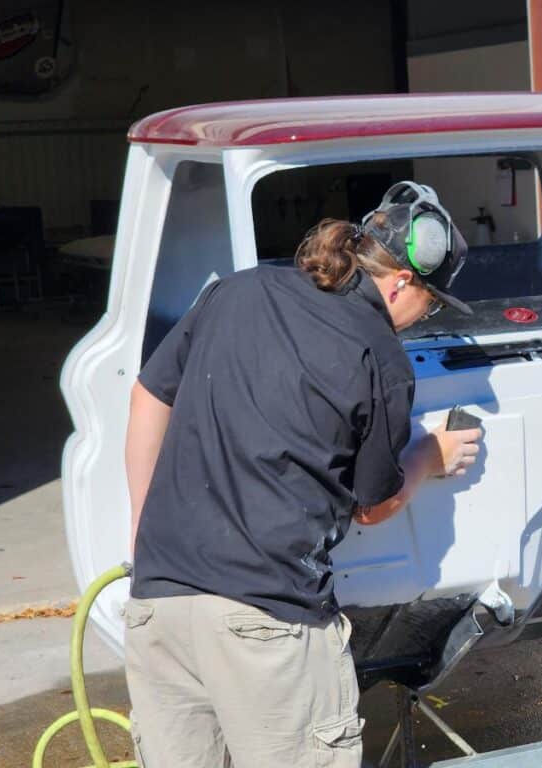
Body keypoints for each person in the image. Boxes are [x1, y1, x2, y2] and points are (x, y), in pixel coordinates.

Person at [122, 182, 481, 767]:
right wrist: (426, 457)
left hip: (160, 606)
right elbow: (374, 505)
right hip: (267, 621)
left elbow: (147, 397)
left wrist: (144, 533)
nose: (426, 316)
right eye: (433, 303)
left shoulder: (238, 289)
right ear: (401, 284)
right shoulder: (378, 355)